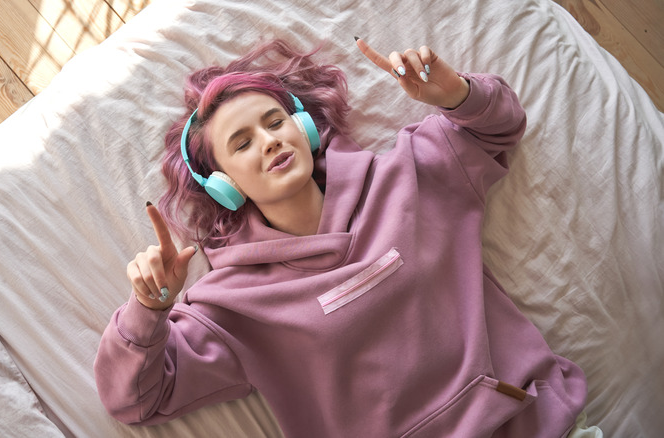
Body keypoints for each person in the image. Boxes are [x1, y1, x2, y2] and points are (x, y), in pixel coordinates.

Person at [94, 38, 589, 437]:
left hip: (536, 423)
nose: (269, 141)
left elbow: (498, 128)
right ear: (223, 186)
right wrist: (148, 310)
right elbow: (136, 399)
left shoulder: (410, 173)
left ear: (305, 129)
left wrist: (457, 95)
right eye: (242, 143)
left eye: (275, 122)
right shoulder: (230, 306)